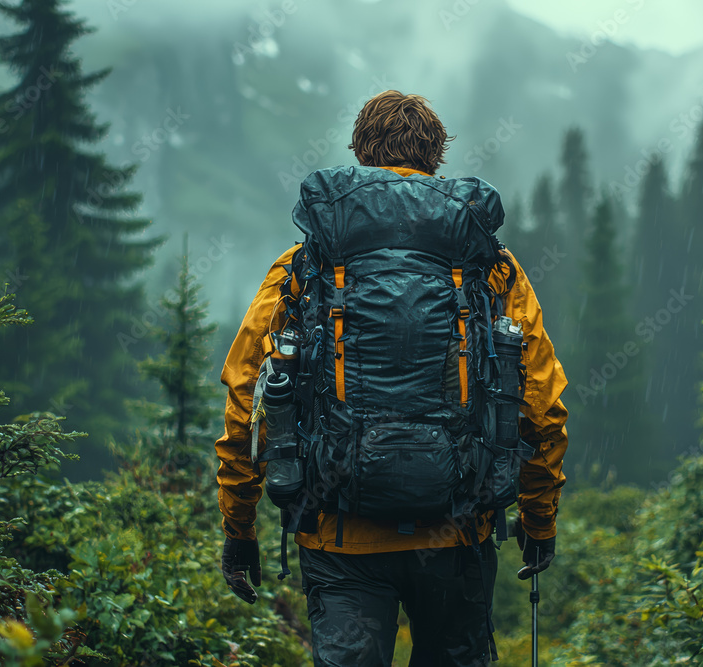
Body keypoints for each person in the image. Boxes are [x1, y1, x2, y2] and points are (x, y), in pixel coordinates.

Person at [215, 90, 569, 666]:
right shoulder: (488, 265)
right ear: (435, 155)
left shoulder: (307, 263)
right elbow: (542, 404)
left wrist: (239, 527)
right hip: (456, 532)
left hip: (339, 534)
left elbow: (246, 392)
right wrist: (538, 518)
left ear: (360, 152)